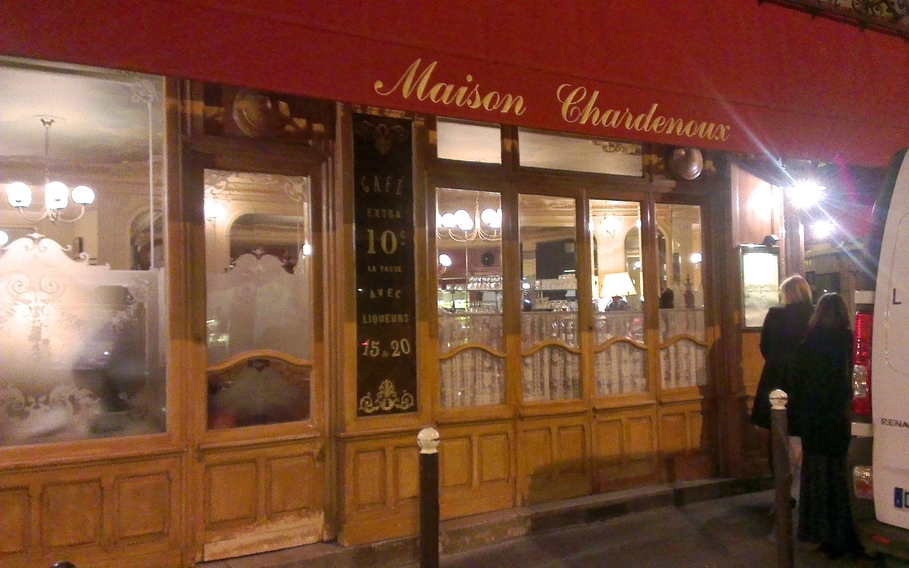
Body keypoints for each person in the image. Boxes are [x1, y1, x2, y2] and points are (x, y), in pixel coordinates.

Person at [793, 292, 861, 558]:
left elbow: (798, 385)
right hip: (840, 418)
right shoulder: (849, 342)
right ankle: (844, 533)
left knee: (817, 475)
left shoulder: (808, 343)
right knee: (840, 475)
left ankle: (820, 531)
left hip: (815, 419)